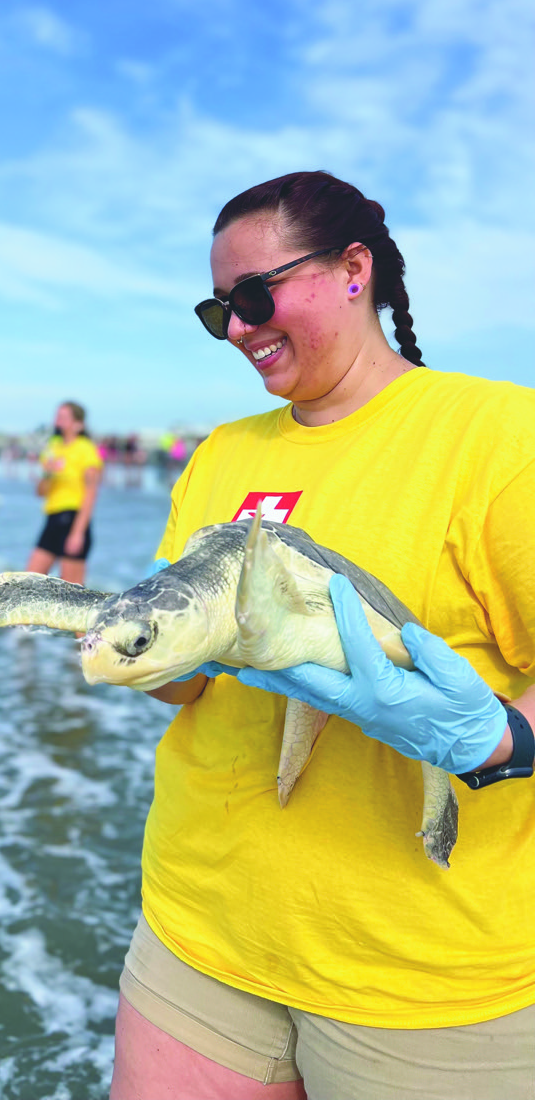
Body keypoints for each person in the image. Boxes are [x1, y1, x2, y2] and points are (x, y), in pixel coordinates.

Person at [109, 171, 535, 1100]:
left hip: (427, 977)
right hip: (197, 930)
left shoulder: (500, 436)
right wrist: (159, 656)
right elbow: (193, 687)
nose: (238, 328)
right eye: (217, 308)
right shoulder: (223, 453)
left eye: (255, 296)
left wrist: (503, 738)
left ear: (355, 269)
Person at [26, 401, 103, 585]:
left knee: (72, 594)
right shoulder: (53, 447)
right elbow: (40, 492)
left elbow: (91, 494)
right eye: (57, 416)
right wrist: (47, 474)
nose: (57, 421)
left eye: (63, 417)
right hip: (52, 520)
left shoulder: (86, 449)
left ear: (78, 424)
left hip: (74, 520)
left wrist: (77, 533)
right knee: (28, 584)